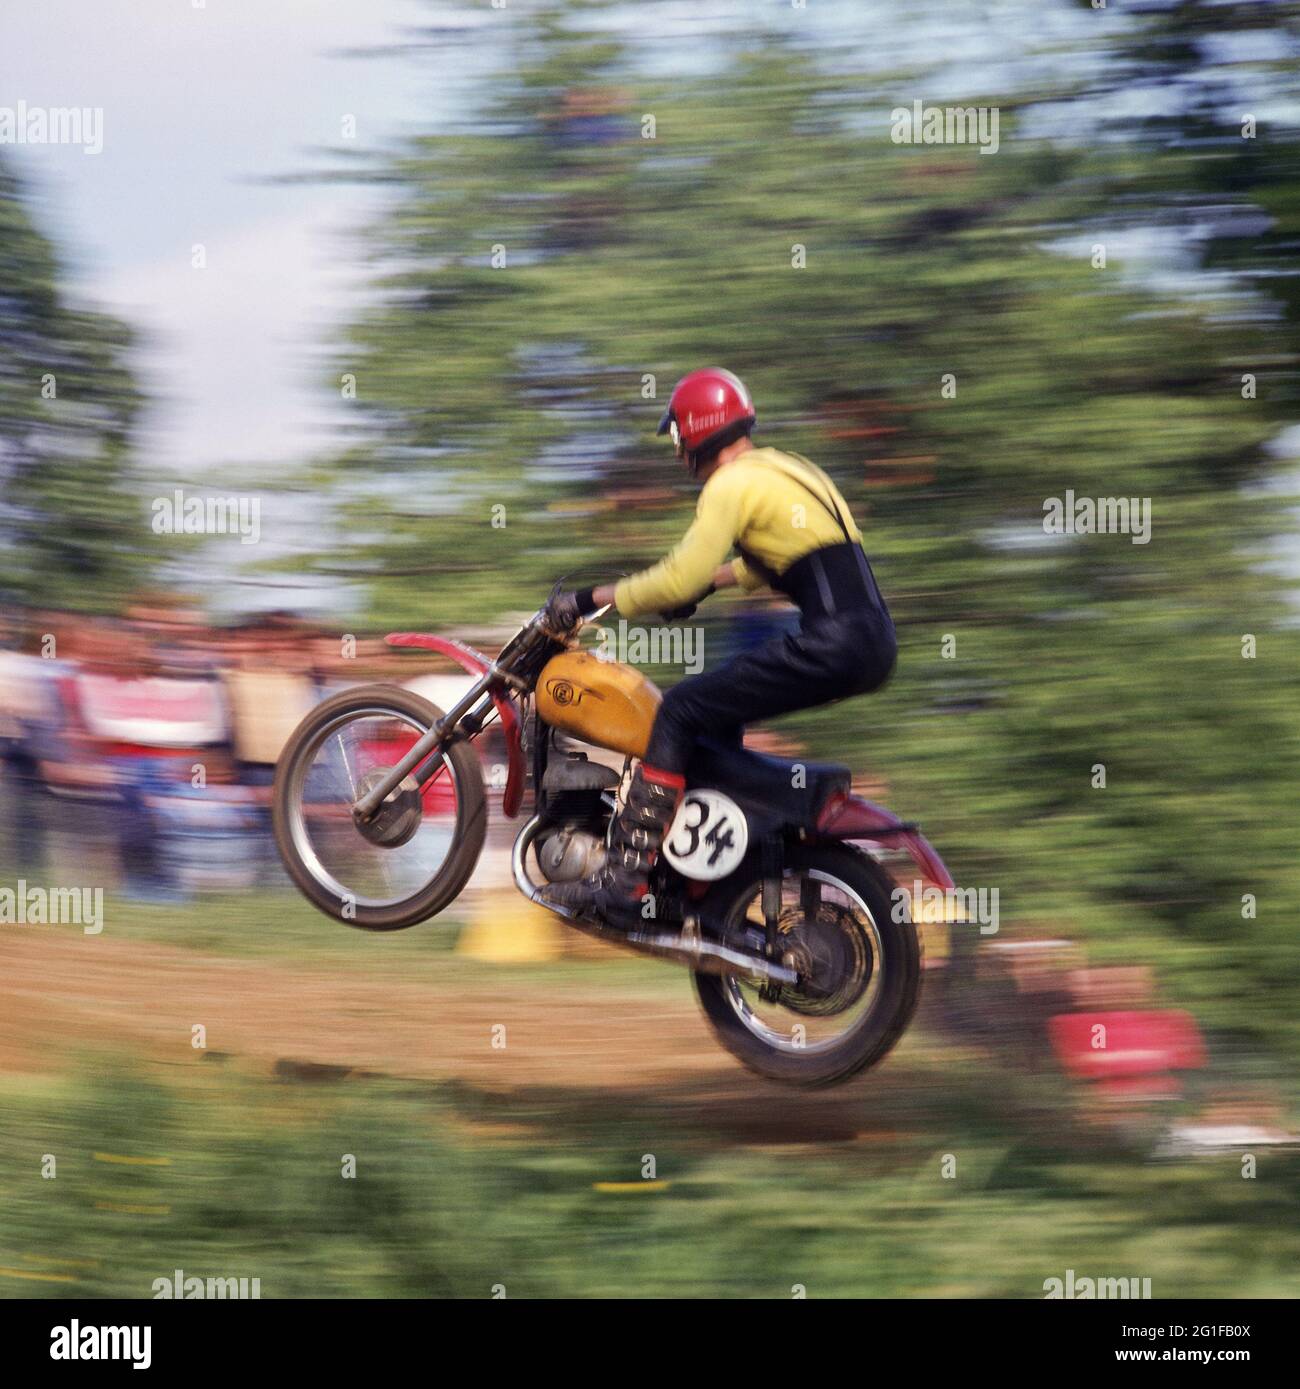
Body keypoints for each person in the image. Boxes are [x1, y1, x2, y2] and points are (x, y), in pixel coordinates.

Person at [540, 367, 897, 929]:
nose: (679, 448)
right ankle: (708, 868)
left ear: (694, 433)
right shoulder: (788, 469)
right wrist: (712, 584)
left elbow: (678, 576)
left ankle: (626, 883)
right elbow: (773, 558)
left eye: (678, 435)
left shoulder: (728, 485)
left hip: (834, 643)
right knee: (710, 718)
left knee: (679, 711)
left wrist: (591, 598)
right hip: (870, 640)